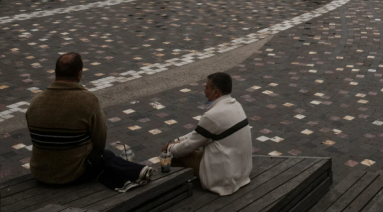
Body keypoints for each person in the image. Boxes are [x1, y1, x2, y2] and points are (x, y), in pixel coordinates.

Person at [27, 53, 152, 186]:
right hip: (73, 175)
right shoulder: (87, 100)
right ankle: (135, 173)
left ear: (56, 73)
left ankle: (136, 173)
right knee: (106, 156)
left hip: (41, 173)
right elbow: (100, 141)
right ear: (79, 74)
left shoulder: (36, 102)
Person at [163, 72, 251, 195]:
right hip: (241, 172)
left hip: (224, 179)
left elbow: (188, 146)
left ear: (216, 92)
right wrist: (178, 140)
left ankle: (175, 194)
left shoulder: (212, 116)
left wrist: (170, 148)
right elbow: (199, 133)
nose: (204, 91)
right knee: (180, 148)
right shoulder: (236, 105)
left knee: (172, 156)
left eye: (206, 88)